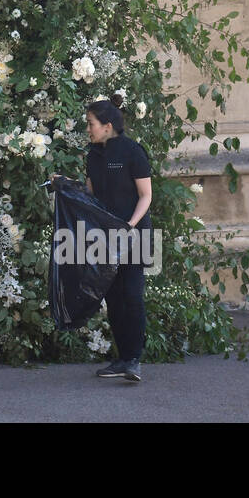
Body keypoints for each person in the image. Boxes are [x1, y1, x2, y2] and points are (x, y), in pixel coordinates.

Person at [81, 97, 153, 383]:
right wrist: (65, 187)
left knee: (132, 296)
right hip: (105, 238)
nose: (88, 129)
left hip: (134, 235)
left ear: (107, 126)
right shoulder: (92, 155)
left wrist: (129, 225)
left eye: (91, 124)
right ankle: (122, 358)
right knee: (112, 298)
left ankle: (134, 359)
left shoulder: (133, 152)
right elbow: (90, 195)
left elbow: (146, 195)